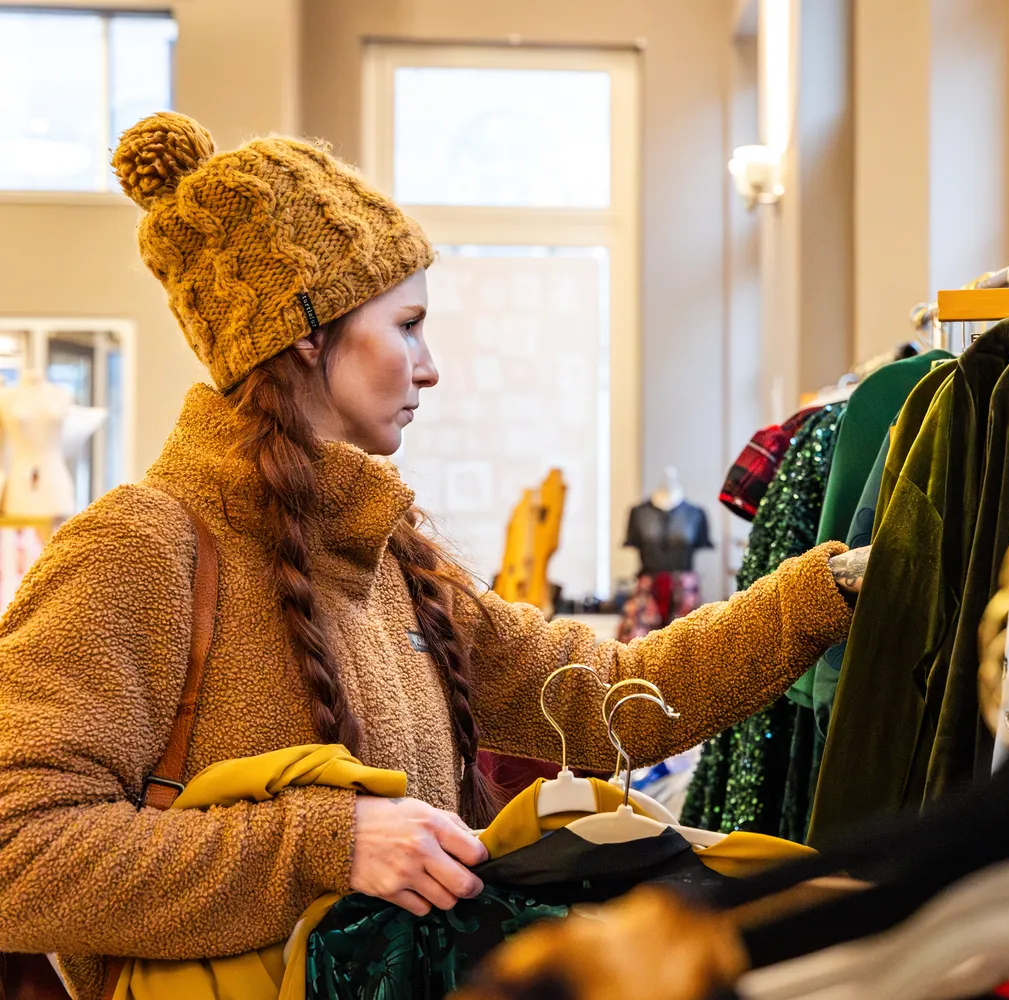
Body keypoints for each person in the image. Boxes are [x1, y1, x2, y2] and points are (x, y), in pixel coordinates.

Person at [0, 112, 862, 1000]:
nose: (430, 366)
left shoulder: (389, 559)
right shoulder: (139, 548)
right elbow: (16, 852)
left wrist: (828, 589)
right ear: (307, 331)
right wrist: (328, 845)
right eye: (407, 325)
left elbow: (613, 700)